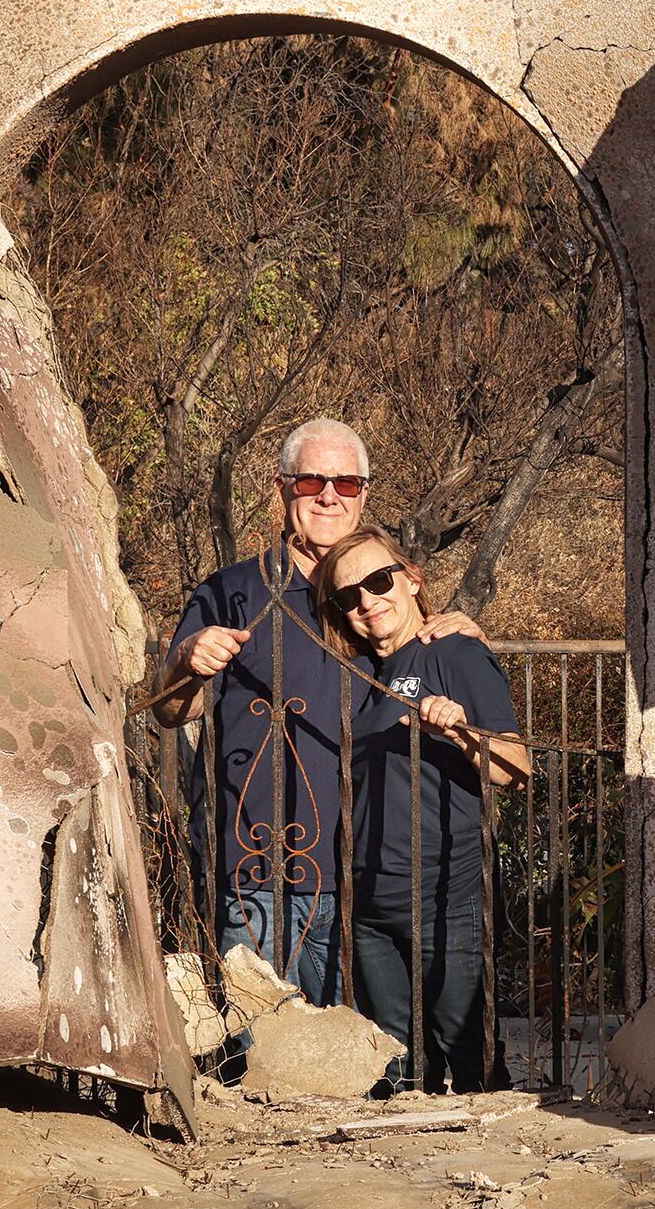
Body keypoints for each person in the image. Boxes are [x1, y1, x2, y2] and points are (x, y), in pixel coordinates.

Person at [153, 418, 481, 1002]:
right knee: (259, 1061)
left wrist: (455, 628)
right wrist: (185, 660)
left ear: (363, 496)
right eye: (312, 482)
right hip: (256, 870)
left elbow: (430, 662)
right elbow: (174, 711)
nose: (329, 496)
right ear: (282, 490)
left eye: (347, 484)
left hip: (367, 882)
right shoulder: (233, 592)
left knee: (364, 1070)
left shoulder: (374, 597)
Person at [313, 525, 528, 1093]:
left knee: (470, 1054)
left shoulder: (453, 653)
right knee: (397, 1064)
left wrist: (460, 731)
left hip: (446, 894)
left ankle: (500, 1172)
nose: (367, 600)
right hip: (367, 904)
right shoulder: (352, 672)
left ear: (412, 581)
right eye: (348, 596)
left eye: (379, 581)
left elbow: (516, 768)